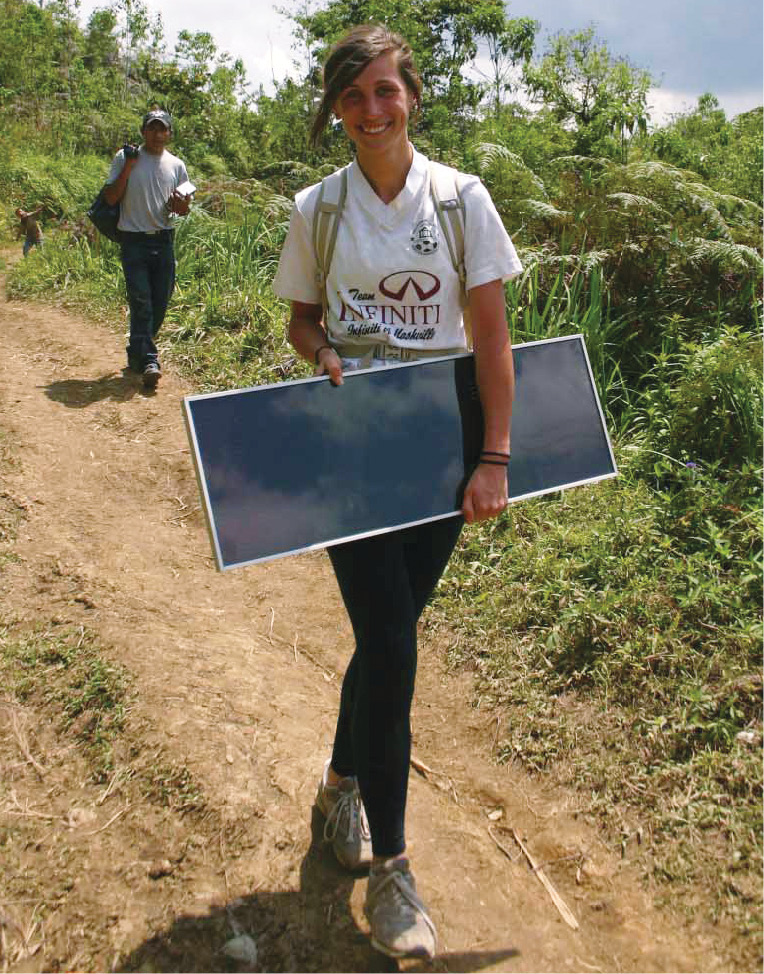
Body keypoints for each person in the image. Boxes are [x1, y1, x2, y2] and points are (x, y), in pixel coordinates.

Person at [272, 24, 522, 961]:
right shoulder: (319, 210)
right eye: (352, 97)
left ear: (411, 93)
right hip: (351, 446)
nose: (371, 111)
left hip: (440, 443)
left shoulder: (462, 201)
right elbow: (301, 323)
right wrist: (326, 351)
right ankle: (395, 875)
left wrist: (494, 456)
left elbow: (491, 339)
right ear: (335, 109)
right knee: (390, 639)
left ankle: (340, 783)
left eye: (385, 90)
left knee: (391, 633)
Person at [103, 109, 191, 389]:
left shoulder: (177, 165)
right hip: (133, 241)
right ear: (143, 131)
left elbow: (183, 209)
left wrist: (181, 205)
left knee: (160, 303)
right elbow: (110, 196)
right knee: (141, 302)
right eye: (151, 128)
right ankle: (151, 360)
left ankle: (136, 352)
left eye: (161, 128)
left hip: (163, 239)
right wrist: (129, 166)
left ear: (169, 133)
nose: (156, 133)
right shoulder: (125, 157)